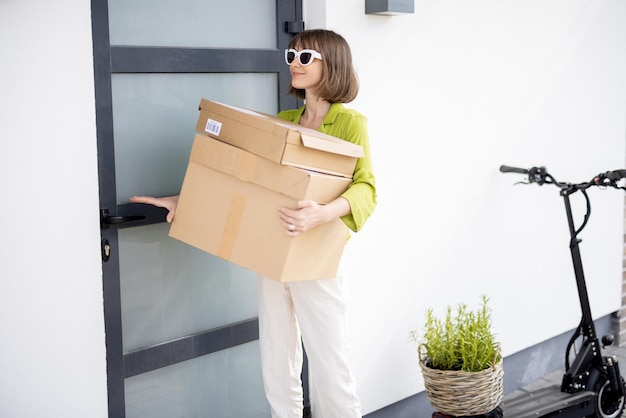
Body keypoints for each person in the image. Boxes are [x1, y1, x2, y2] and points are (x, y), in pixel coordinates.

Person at [131, 29, 376, 418]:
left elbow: (367, 188)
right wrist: (183, 199)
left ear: (332, 63)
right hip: (272, 253)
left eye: (305, 56)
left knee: (331, 369)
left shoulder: (350, 123)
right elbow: (248, 180)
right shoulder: (285, 120)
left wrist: (323, 212)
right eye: (291, 54)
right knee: (276, 362)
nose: (294, 62)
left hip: (316, 261)